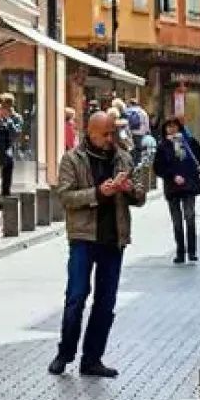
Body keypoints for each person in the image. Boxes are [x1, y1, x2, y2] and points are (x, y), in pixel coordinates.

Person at [48, 112, 146, 378]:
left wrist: (128, 189)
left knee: (106, 302)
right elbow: (65, 197)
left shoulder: (123, 158)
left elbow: (140, 196)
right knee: (76, 296)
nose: (110, 138)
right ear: (90, 133)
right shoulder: (72, 159)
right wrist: (98, 193)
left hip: (113, 239)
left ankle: (92, 359)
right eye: (105, 134)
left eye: (112, 133)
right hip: (83, 238)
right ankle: (65, 353)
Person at [154, 117, 200, 264]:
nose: (172, 129)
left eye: (174, 126)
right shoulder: (163, 146)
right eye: (169, 127)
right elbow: (158, 167)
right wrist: (172, 176)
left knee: (190, 217)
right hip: (172, 187)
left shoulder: (189, 142)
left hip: (189, 185)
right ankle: (180, 252)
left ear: (179, 127)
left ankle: (192, 251)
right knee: (177, 221)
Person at [0, 93, 21, 196]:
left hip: (7, 152)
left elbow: (15, 134)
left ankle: (5, 195)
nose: (4, 108)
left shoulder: (16, 118)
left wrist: (8, 120)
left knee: (6, 178)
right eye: (3, 105)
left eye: (7, 105)